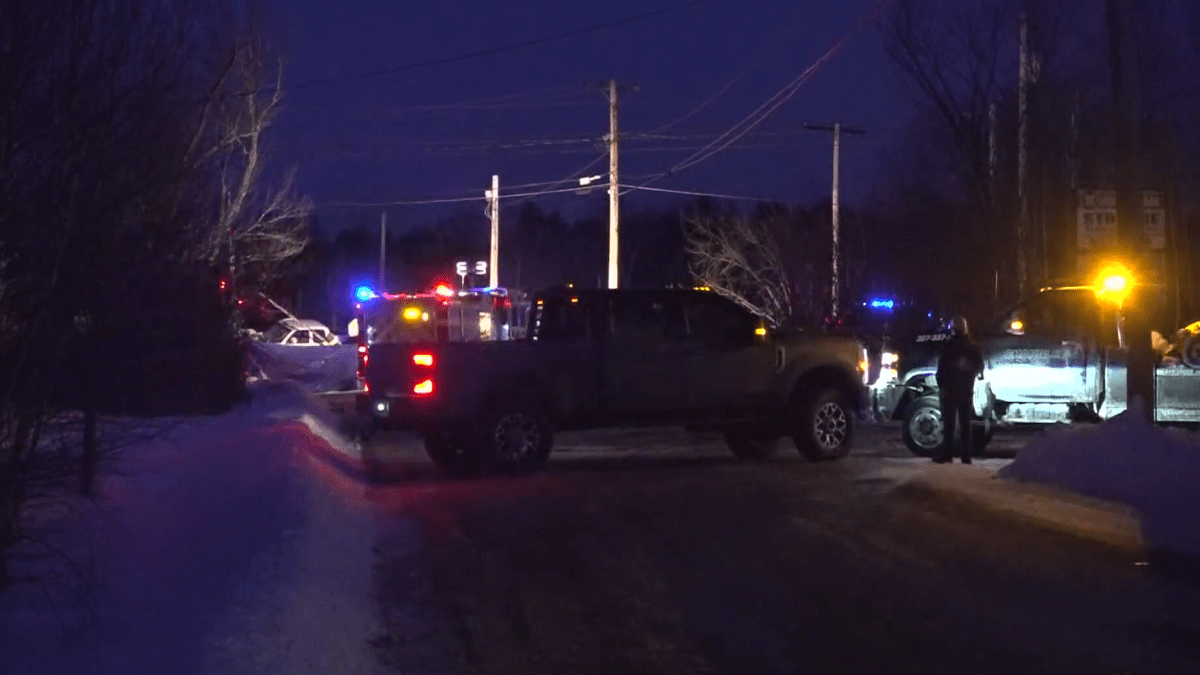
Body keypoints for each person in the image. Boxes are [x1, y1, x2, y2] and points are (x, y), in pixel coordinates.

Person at [935, 315, 985, 464]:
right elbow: (979, 367)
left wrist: (941, 383)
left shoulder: (948, 346)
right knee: (965, 424)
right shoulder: (973, 347)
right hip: (966, 389)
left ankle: (948, 454)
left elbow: (941, 368)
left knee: (949, 424)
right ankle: (966, 456)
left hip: (949, 388)